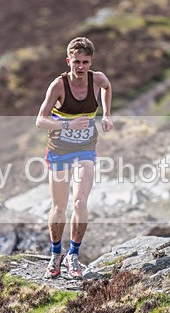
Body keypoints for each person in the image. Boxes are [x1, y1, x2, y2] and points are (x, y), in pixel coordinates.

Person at [36, 37, 113, 278]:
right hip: (59, 150)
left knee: (80, 202)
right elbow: (40, 120)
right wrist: (68, 123)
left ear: (91, 62)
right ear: (68, 61)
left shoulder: (97, 79)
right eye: (76, 62)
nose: (80, 67)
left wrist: (107, 115)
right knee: (59, 206)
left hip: (85, 149)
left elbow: (107, 88)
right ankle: (55, 254)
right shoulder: (58, 86)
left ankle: (73, 255)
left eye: (85, 62)